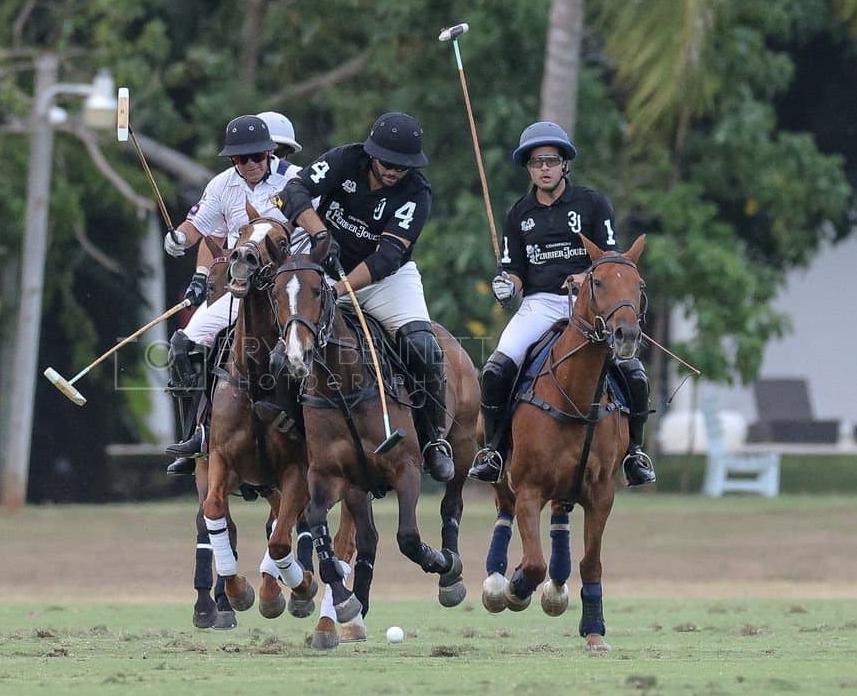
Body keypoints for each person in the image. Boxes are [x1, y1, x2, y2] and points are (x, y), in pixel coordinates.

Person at [466, 120, 656, 486]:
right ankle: (492, 450)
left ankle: (635, 453)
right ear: (529, 168)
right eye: (536, 163)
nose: (544, 169)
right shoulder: (518, 214)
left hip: (591, 305)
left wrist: (584, 279)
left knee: (633, 372)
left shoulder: (593, 203)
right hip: (539, 305)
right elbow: (516, 271)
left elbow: (612, 261)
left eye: (551, 161)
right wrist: (507, 285)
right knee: (495, 368)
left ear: (564, 163)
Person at [274, 111, 456, 483]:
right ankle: (292, 427)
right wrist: (321, 235)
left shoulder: (416, 192)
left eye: (402, 166)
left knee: (423, 347)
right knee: (284, 350)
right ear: (373, 154)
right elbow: (293, 192)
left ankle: (434, 438)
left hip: (386, 280)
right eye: (388, 163)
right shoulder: (346, 159)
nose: (393, 171)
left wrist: (338, 290)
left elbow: (388, 256)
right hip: (323, 265)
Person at [162, 113, 303, 475]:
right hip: (243, 292)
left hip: (291, 290)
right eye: (242, 158)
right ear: (232, 160)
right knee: (185, 343)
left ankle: (314, 427)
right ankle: (198, 432)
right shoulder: (222, 185)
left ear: (270, 153)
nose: (251, 164)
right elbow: (200, 226)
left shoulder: (295, 181)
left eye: (258, 156)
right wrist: (180, 239)